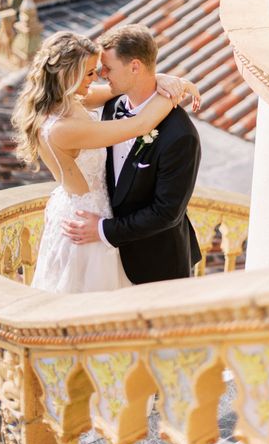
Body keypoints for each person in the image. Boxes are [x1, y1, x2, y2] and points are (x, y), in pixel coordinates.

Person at [12, 30, 199, 294]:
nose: (98, 76)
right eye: (90, 72)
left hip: (101, 220)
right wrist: (177, 91)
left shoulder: (68, 99)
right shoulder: (61, 128)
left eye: (101, 69)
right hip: (85, 220)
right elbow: (141, 124)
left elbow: (132, 84)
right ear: (70, 75)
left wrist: (165, 79)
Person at [62, 24, 202, 284]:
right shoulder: (112, 105)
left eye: (108, 68)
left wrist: (103, 230)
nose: (102, 75)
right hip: (105, 260)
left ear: (135, 67)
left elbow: (166, 213)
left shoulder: (180, 135)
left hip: (156, 264)